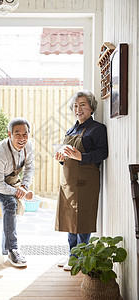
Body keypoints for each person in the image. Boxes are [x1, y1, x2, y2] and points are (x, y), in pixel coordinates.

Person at [55, 90, 108, 271]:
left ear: (91, 107)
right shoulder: (72, 129)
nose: (78, 109)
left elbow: (102, 153)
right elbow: (68, 155)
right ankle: (72, 255)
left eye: (82, 105)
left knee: (83, 221)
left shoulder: (97, 128)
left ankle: (80, 258)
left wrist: (81, 156)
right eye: (75, 106)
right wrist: (61, 157)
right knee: (70, 220)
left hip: (86, 183)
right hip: (69, 182)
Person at [0, 117, 34, 267]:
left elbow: (30, 168)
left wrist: (24, 186)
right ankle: (12, 249)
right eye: (17, 134)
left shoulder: (29, 146)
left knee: (13, 202)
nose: (22, 138)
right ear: (9, 134)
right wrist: (21, 193)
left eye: (25, 134)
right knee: (10, 203)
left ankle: (7, 250)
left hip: (11, 180)